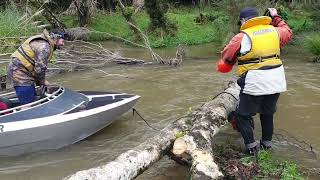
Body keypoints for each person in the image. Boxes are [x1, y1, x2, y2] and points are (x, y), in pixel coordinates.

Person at [216, 7, 292, 154]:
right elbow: (287, 31)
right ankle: (267, 146)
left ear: (244, 21)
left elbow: (226, 60)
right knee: (267, 113)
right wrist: (275, 17)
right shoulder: (276, 31)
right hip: (277, 79)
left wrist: (227, 59)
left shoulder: (241, 37)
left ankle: (252, 149)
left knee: (242, 116)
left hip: (255, 80)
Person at [7, 29, 66, 105]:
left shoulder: (45, 43)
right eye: (62, 41)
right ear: (55, 38)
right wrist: (43, 82)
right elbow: (40, 69)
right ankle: (27, 113)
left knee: (32, 97)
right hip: (20, 74)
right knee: (27, 103)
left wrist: (42, 82)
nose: (63, 44)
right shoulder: (45, 47)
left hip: (24, 72)